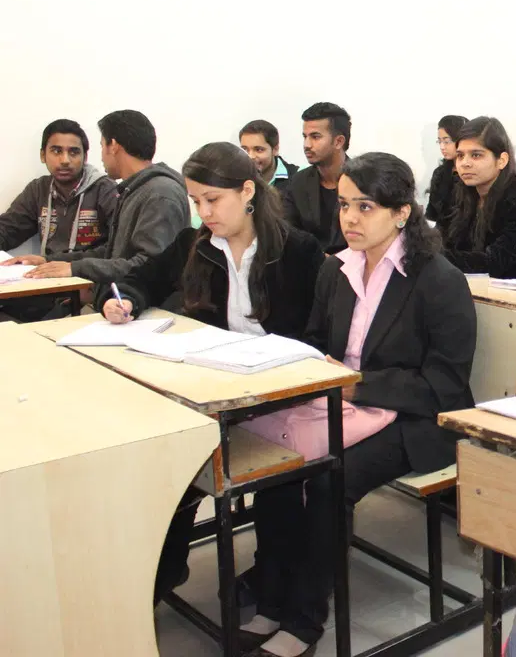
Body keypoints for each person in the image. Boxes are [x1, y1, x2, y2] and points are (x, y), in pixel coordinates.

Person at [246, 152, 475, 657]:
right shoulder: (336, 270)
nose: (349, 218)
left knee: (329, 477)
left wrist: (358, 384)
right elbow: (314, 339)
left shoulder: (438, 280)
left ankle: (305, 619)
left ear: (402, 213)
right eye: (344, 205)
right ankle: (271, 596)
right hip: (343, 401)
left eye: (365, 207)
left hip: (416, 417)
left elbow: (445, 383)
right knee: (274, 464)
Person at [92, 142, 324, 607]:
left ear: (247, 191)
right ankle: (155, 577)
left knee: (200, 464)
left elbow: (316, 337)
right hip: (216, 387)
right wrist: (123, 301)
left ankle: (264, 581)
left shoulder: (297, 250)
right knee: (165, 461)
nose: (203, 212)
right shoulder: (194, 243)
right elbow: (143, 278)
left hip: (278, 390)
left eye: (212, 200)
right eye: (196, 201)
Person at [7, 110, 189, 286]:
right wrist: (52, 262)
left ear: (114, 146)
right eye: (56, 151)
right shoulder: (131, 190)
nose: (64, 160)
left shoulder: (160, 194)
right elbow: (112, 253)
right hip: (121, 297)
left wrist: (76, 269)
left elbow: (151, 267)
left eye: (102, 145)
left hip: (140, 303)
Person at [0, 119, 120, 321]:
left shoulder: (105, 190)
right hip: (47, 282)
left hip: (88, 286)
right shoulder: (38, 190)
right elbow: (9, 229)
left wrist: (62, 263)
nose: (65, 160)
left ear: (85, 156)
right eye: (56, 151)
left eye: (73, 152)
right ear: (42, 155)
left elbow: (115, 248)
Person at [442, 117, 516, 278]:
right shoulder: (460, 194)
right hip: (467, 290)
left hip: (512, 296)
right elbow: (444, 242)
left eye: (476, 155)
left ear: (501, 161)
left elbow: (494, 262)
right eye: (460, 156)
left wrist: (432, 256)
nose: (464, 163)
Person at [283, 102, 351, 254]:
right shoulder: (298, 182)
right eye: (305, 136)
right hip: (309, 269)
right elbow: (288, 233)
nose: (306, 144)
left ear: (338, 141)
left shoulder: (363, 182)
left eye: (315, 137)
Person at [426, 114, 467, 228]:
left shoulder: (472, 173)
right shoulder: (440, 173)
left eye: (447, 141)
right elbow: (431, 214)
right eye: (439, 141)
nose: (442, 147)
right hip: (439, 238)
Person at [240, 120, 298, 192]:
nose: (250, 156)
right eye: (245, 149)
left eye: (258, 149)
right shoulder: (235, 179)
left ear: (275, 150)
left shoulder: (297, 178)